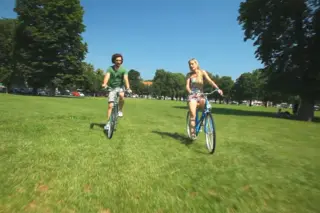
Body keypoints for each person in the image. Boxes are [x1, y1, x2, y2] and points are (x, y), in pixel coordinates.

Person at [185, 58, 223, 139]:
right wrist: (190, 92)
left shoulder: (202, 72)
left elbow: (210, 81)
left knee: (205, 108)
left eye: (192, 64)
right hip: (192, 95)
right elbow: (187, 86)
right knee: (193, 115)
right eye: (189, 64)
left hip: (201, 95)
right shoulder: (189, 75)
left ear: (196, 64)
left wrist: (217, 88)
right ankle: (192, 134)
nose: (191, 66)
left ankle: (203, 121)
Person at [102, 53, 132, 130]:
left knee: (122, 95)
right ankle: (108, 123)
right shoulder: (110, 69)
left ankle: (120, 110)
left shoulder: (124, 70)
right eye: (117, 60)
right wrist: (104, 84)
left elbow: (126, 79)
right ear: (114, 61)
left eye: (120, 60)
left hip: (120, 87)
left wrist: (128, 88)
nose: (119, 62)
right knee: (110, 106)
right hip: (112, 88)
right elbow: (107, 76)